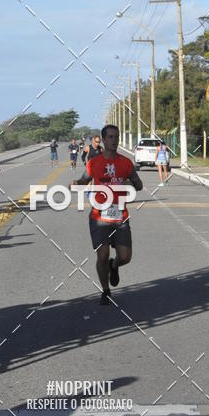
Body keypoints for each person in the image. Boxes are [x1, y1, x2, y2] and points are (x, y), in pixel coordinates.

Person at [72, 124, 143, 306]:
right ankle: (105, 291)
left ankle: (114, 266)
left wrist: (131, 181)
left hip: (120, 217)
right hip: (99, 217)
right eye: (110, 137)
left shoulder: (126, 163)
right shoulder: (94, 163)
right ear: (103, 140)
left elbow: (139, 185)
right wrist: (77, 183)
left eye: (116, 137)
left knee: (125, 257)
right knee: (102, 255)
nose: (114, 140)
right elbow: (84, 179)